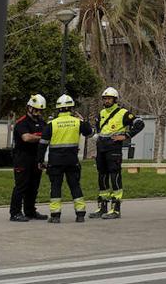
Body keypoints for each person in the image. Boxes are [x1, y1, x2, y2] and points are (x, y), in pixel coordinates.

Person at [38, 94, 93, 223]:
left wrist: (40, 161)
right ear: (71, 108)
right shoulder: (77, 122)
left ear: (58, 109)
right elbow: (90, 133)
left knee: (56, 186)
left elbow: (42, 145)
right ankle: (80, 214)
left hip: (55, 161)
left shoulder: (52, 124)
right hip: (72, 160)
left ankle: (55, 215)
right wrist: (83, 120)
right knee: (75, 186)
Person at [92, 86, 144, 219]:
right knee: (102, 177)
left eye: (109, 98)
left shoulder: (123, 113)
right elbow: (99, 131)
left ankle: (115, 209)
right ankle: (102, 207)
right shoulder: (101, 113)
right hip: (101, 148)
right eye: (105, 98)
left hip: (114, 149)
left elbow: (139, 123)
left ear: (115, 100)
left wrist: (126, 136)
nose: (107, 101)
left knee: (114, 176)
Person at [9, 94, 48, 222]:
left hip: (36, 158)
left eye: (40, 110)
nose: (38, 113)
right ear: (29, 108)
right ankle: (15, 213)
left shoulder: (42, 122)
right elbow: (26, 138)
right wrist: (42, 138)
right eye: (36, 110)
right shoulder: (22, 123)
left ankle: (30, 211)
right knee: (21, 186)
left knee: (34, 186)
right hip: (22, 158)